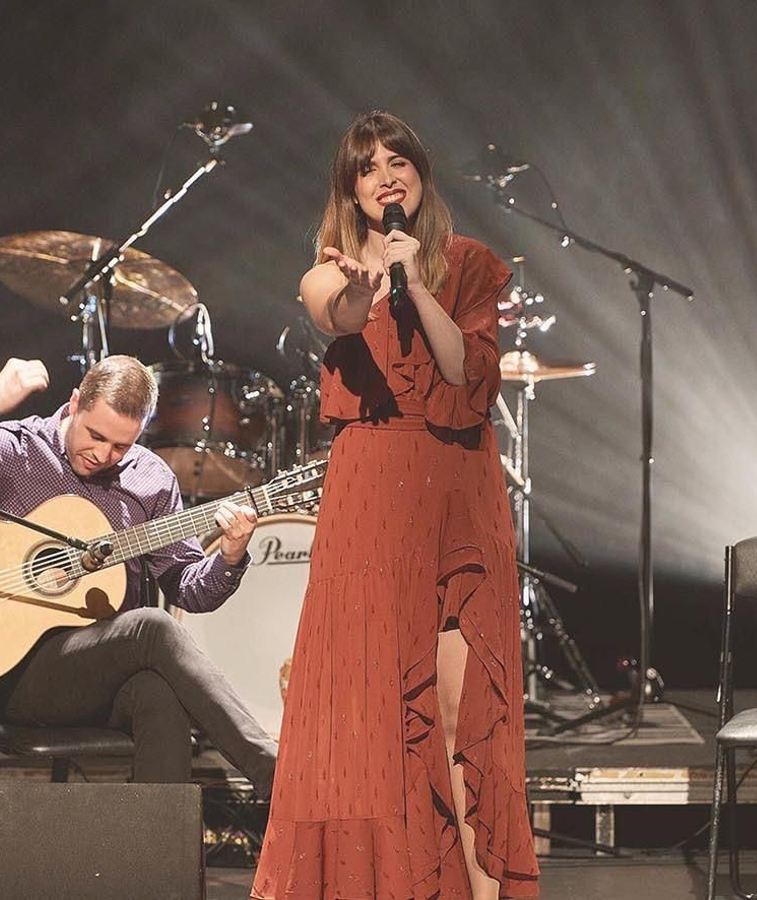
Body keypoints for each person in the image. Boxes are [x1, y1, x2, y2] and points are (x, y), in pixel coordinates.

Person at [252, 111, 539, 899]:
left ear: (419, 173)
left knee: (461, 707)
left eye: (398, 160)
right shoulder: (331, 266)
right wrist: (365, 287)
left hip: (455, 489)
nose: (386, 174)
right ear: (351, 187)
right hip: (374, 492)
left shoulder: (469, 264)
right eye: (367, 165)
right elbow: (333, 313)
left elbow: (463, 370)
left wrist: (415, 281)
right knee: (369, 709)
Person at [0, 354, 277, 796]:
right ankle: (274, 772)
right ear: (74, 403)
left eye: (121, 446)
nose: (102, 454)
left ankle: (156, 860)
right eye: (95, 435)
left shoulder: (151, 478)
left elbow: (191, 592)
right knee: (151, 625)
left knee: (160, 694)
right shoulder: (17, 449)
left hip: (105, 677)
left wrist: (228, 556)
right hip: (24, 676)